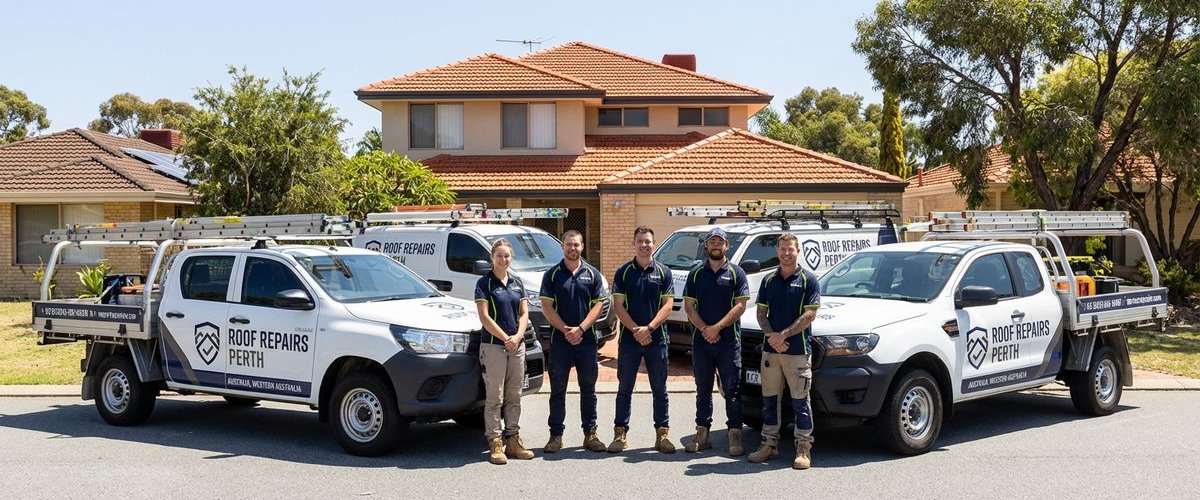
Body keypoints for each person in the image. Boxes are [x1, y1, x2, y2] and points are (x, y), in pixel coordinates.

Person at [747, 233, 820, 469]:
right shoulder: (769, 280)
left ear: (798, 251)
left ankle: (804, 447)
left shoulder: (809, 280)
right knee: (769, 400)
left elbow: (809, 314)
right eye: (782, 249)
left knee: (801, 402)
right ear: (777, 251)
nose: (786, 253)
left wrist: (784, 335)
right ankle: (769, 444)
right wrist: (772, 337)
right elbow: (760, 314)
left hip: (797, 351)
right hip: (771, 352)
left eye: (790, 249)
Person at [682, 227, 750, 456]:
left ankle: (734, 435)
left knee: (732, 390)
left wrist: (717, 328)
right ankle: (702, 434)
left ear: (726, 246)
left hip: (729, 342)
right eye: (712, 241)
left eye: (720, 241)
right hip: (702, 342)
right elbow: (689, 306)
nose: (716, 245)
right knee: (702, 389)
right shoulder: (696, 273)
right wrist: (704, 329)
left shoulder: (737, 273)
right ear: (706, 246)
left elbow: (740, 306)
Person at [608, 226, 676, 454]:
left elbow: (668, 305)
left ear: (654, 244)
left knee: (660, 389)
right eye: (640, 241)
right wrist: (637, 330)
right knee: (624, 388)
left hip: (657, 340)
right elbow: (618, 306)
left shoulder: (664, 272)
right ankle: (620, 434)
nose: (644, 245)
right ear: (634, 243)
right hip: (629, 340)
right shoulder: (623, 272)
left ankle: (662, 434)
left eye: (648, 241)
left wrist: (650, 328)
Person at [540, 230, 609, 453]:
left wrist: (580, 329)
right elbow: (547, 307)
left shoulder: (593, 274)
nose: (572, 248)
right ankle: (556, 436)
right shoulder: (552, 275)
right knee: (558, 390)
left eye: (576, 245)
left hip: (587, 341)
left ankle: (590, 434)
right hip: (560, 342)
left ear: (582, 247)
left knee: (588, 389)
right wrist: (566, 330)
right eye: (569, 244)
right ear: (562, 246)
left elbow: (598, 306)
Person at [474, 239, 536, 465]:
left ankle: (513, 439)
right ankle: (495, 441)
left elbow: (524, 313)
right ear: (492, 258)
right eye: (499, 256)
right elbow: (484, 317)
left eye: (507, 256)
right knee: (495, 396)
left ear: (512, 258)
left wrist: (518, 337)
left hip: (516, 346)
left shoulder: (517, 282)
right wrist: (505, 338)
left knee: (514, 395)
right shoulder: (484, 284)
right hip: (494, 346)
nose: (503, 260)